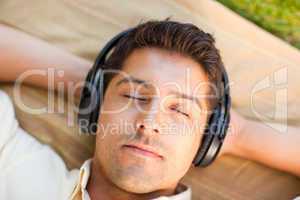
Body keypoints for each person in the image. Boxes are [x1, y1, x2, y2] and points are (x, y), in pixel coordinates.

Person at [0, 20, 299, 200]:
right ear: (98, 109)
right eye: (132, 95)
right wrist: (92, 81)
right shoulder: (15, 167)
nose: (150, 122)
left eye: (180, 111)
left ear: (205, 142)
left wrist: (241, 135)